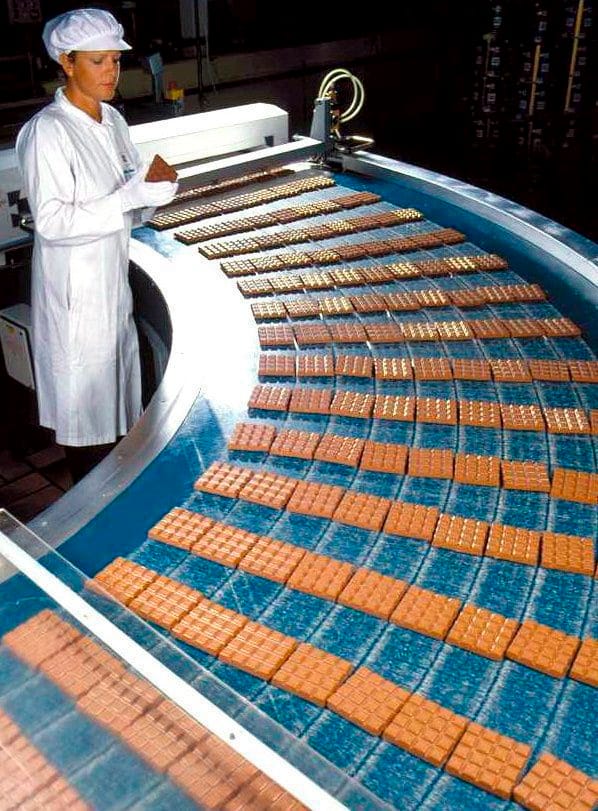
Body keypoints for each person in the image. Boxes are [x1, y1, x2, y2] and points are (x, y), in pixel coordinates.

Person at [16, 8, 178, 483]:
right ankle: (87, 506)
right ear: (66, 63)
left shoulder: (113, 121)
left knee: (121, 417)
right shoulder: (48, 131)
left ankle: (118, 491)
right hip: (75, 301)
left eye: (115, 60)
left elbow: (125, 203)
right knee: (87, 426)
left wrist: (149, 199)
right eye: (97, 61)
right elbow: (52, 222)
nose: (111, 72)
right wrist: (128, 198)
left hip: (112, 290)